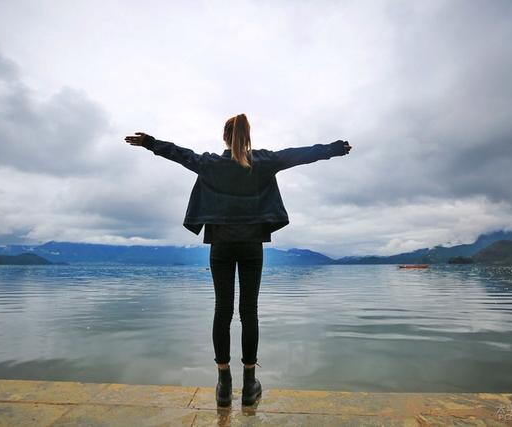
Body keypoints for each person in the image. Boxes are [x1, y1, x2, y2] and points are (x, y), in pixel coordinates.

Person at [124, 114, 352, 407]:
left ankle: (223, 384)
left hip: (220, 245)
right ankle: (248, 384)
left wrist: (149, 143)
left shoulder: (210, 164)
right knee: (248, 312)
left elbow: (179, 154)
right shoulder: (264, 161)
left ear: (224, 138)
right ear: (248, 137)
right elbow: (300, 155)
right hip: (251, 246)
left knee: (223, 310)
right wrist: (332, 148)